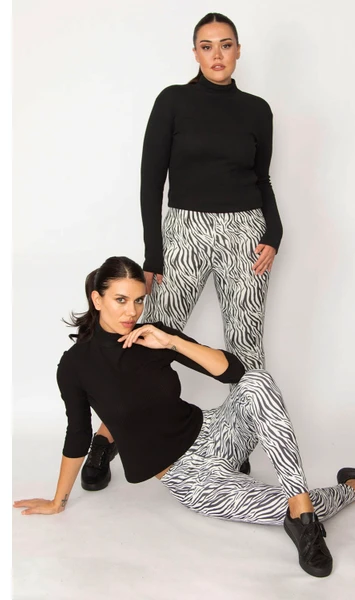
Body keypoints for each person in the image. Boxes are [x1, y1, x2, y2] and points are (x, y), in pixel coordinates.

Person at [14, 257, 355, 579]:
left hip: (215, 431)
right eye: (120, 300)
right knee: (281, 511)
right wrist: (58, 501)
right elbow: (77, 433)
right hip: (186, 477)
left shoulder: (153, 335)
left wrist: (172, 341)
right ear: (96, 298)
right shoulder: (75, 366)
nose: (131, 312)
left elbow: (234, 372)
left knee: (257, 380)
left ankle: (303, 515)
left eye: (138, 301)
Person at [81, 11, 284, 490]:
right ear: (195, 53)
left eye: (226, 44)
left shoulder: (258, 110)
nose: (217, 55)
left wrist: (274, 233)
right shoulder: (173, 101)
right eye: (207, 46)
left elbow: (262, 179)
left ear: (238, 51)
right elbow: (151, 182)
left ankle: (239, 441)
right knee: (144, 335)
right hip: (184, 232)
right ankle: (108, 438)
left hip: (245, 234)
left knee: (246, 345)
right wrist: (154, 255)